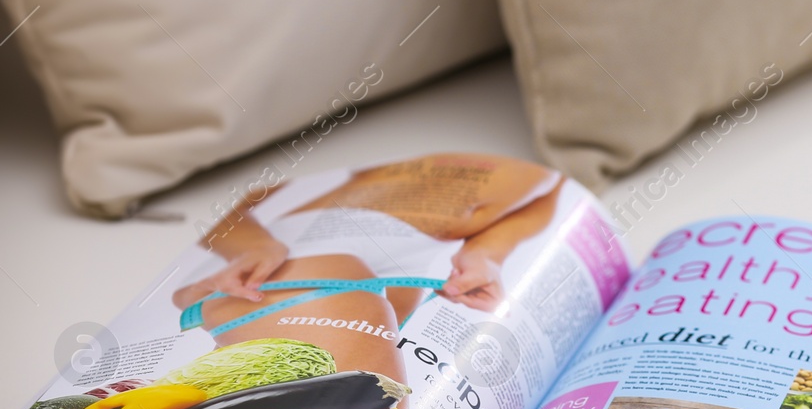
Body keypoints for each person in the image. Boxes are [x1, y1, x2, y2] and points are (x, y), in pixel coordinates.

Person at [171, 153, 563, 385]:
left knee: (356, 405)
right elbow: (226, 207)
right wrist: (255, 246)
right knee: (352, 407)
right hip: (331, 234)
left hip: (420, 257)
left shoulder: (556, 158)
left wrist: (486, 255)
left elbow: (540, 200)